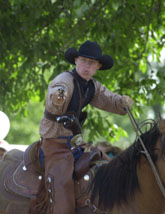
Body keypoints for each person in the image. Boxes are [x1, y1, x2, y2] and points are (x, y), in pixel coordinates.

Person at [38, 40, 133, 214]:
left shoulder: (92, 86)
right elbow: (57, 94)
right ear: (76, 61)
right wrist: (59, 97)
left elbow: (109, 99)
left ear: (98, 66)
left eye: (91, 63)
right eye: (83, 61)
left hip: (75, 143)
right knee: (62, 184)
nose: (86, 66)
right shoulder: (64, 80)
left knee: (106, 164)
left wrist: (122, 102)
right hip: (54, 143)